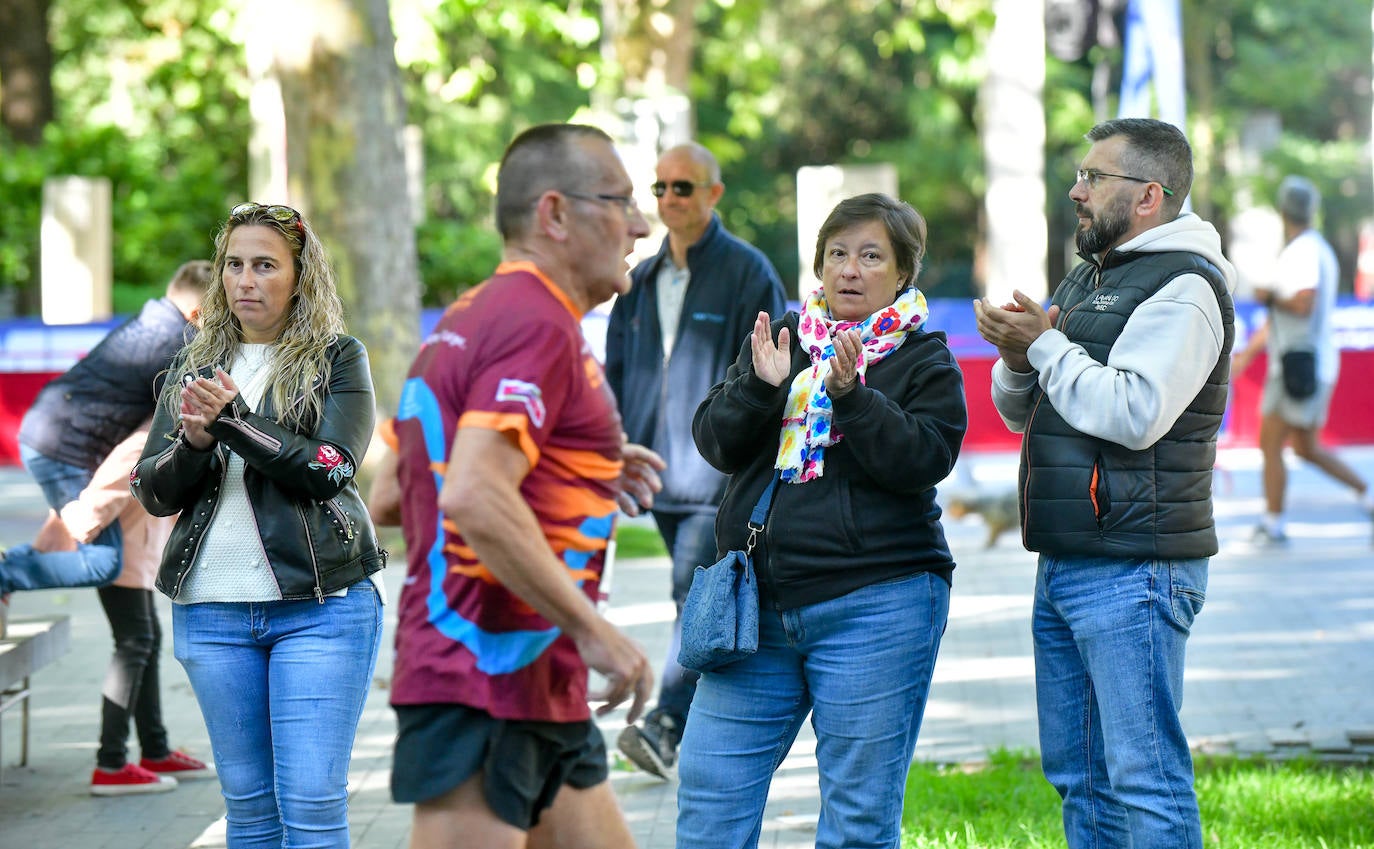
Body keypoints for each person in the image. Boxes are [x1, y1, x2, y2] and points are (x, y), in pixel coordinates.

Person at [385, 122, 664, 849]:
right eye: (622, 201)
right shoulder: (537, 320)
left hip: (533, 678)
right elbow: (473, 493)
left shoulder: (472, 314)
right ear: (556, 214)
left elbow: (393, 490)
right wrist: (593, 627)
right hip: (481, 674)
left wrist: (573, 461)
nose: (639, 226)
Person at [974, 117, 1237, 849]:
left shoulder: (1185, 287)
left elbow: (1133, 412)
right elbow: (1026, 408)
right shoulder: (1092, 274)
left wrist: (1049, 345)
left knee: (1143, 779)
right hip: (1069, 558)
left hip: (1136, 566)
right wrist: (1020, 357)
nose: (1076, 190)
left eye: (1094, 177)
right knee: (1081, 776)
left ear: (1149, 195)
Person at [680, 192, 966, 849]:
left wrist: (854, 398)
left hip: (876, 605)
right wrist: (760, 386)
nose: (850, 269)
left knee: (858, 821)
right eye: (838, 254)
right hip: (755, 610)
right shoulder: (780, 340)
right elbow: (715, 443)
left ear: (901, 274)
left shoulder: (924, 359)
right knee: (708, 797)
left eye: (871, 256)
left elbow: (924, 458)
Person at [130, 202, 386, 848]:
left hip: (321, 608)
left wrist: (234, 422)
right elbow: (151, 490)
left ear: (300, 277)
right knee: (248, 812)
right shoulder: (193, 364)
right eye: (234, 265)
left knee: (312, 805)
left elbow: (331, 467)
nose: (246, 279)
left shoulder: (337, 359)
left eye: (265, 265)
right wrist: (191, 445)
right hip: (212, 616)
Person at [604, 141, 787, 778]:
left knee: (693, 593)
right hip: (656, 471)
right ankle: (701, 718)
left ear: (713, 194)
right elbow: (618, 373)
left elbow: (770, 373)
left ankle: (666, 724)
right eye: (659, 188)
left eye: (682, 187)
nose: (668, 200)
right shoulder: (643, 276)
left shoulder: (748, 272)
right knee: (695, 597)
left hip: (715, 471)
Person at [2, 260, 210, 597]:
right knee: (101, 562)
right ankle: (5, 573)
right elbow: (157, 435)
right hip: (63, 446)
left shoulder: (150, 320)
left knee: (77, 538)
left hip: (49, 431)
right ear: (198, 313)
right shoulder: (178, 345)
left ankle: (10, 566)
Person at [29, 422, 214, 795]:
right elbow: (103, 493)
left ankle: (155, 750)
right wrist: (78, 536)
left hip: (136, 561)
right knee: (134, 644)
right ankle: (110, 763)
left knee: (146, 641)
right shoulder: (143, 439)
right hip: (116, 561)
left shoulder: (166, 436)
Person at [1233, 175, 1373, 544]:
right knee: (1304, 446)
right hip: (1304, 359)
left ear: (1283, 210)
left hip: (1298, 362)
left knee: (1271, 441)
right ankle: (1366, 492)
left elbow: (1301, 302)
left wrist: (1268, 295)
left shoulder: (1304, 251)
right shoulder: (1313, 248)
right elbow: (1285, 314)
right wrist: (1247, 355)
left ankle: (1274, 521)